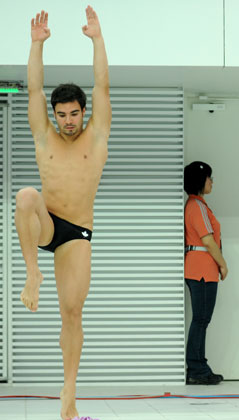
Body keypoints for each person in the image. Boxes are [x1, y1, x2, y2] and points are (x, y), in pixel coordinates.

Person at [15, 7, 111, 420]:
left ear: (83, 113)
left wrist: (97, 39)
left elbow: (103, 86)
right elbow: (34, 90)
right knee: (24, 194)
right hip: (47, 221)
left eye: (74, 114)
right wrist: (37, 45)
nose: (68, 121)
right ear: (53, 115)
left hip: (77, 233)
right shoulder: (44, 136)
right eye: (62, 115)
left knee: (72, 311)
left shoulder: (97, 133)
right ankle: (31, 271)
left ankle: (68, 396)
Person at [184, 161, 228, 385]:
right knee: (201, 320)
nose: (212, 181)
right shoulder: (196, 206)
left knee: (202, 320)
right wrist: (223, 264)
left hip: (203, 269)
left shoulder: (199, 205)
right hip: (201, 269)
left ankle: (199, 365)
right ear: (200, 181)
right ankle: (196, 368)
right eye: (209, 177)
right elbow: (208, 241)